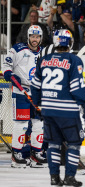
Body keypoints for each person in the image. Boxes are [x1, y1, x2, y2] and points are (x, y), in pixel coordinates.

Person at [30, 29, 85, 186]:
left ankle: (54, 178)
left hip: (48, 109)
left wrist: (37, 105)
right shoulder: (74, 60)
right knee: (73, 144)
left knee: (53, 144)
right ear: (70, 43)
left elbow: (35, 86)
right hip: (67, 111)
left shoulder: (43, 60)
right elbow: (76, 88)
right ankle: (69, 177)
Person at [2, 25, 46, 168]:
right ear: (28, 37)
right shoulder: (17, 49)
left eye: (37, 37)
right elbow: (6, 65)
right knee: (21, 125)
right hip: (21, 92)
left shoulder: (44, 53)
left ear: (41, 38)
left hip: (37, 93)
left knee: (39, 124)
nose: (35, 39)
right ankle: (17, 154)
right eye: (33, 36)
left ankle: (36, 154)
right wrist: (10, 74)